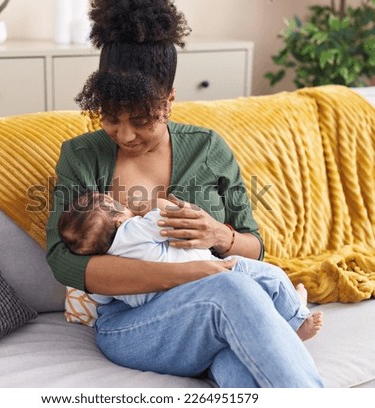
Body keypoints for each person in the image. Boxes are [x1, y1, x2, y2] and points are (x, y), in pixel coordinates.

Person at [46, 0, 325, 387]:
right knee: (229, 288)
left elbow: (256, 247)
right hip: (132, 326)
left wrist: (220, 237)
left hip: (211, 318)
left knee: (239, 369)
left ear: (169, 101)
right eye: (110, 117)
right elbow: (64, 261)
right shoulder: (81, 155)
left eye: (141, 119)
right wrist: (190, 272)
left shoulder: (208, 149)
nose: (124, 134)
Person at [58, 191, 323, 341]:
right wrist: (156, 203)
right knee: (271, 276)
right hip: (211, 274)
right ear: (118, 221)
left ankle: (278, 320)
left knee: (253, 297)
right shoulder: (133, 230)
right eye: (119, 205)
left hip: (169, 309)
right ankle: (296, 320)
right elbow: (168, 217)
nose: (125, 205)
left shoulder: (109, 263)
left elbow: (100, 296)